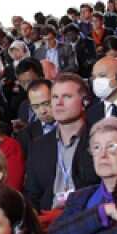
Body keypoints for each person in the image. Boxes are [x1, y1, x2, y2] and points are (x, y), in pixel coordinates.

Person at [49, 118, 117, 234]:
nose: (102, 155)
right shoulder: (80, 197)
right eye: (96, 148)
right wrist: (102, 212)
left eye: (112, 146)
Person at [23, 74, 98, 211]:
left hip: (89, 216)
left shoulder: (99, 138)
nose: (58, 103)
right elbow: (32, 195)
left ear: (85, 102)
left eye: (67, 97)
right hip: (49, 222)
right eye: (55, 97)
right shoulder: (38, 146)